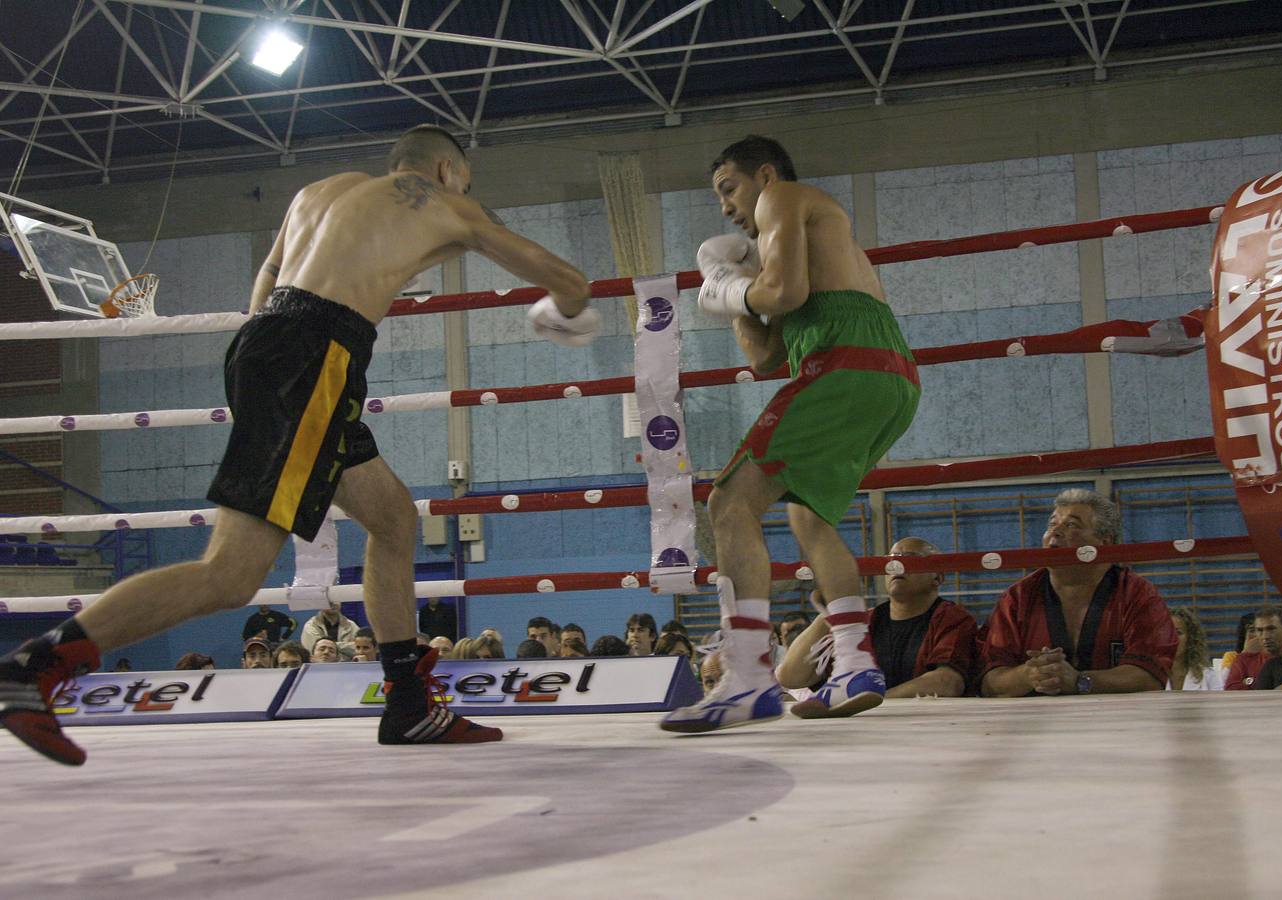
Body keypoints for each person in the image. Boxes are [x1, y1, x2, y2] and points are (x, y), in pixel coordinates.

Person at [0, 123, 597, 763]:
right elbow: (570, 281)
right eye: (467, 183)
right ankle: (34, 665)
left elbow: (269, 272)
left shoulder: (320, 191)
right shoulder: (448, 202)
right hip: (315, 359)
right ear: (448, 171)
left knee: (394, 520)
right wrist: (559, 316)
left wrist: (271, 360)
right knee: (231, 574)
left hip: (272, 344)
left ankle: (407, 704)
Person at [661, 135, 921, 733]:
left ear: (765, 175)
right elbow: (767, 358)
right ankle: (855, 662)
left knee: (730, 501)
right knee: (808, 515)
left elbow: (786, 294)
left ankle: (750, 675)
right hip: (886, 377)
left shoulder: (785, 198)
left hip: (846, 364)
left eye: (729, 189)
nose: (726, 207)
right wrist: (731, 287)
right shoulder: (792, 243)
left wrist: (730, 288)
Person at [979, 489, 1178, 697]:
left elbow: (1150, 677)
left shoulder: (1137, 594)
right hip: (1038, 723)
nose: (1055, 532)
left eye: (1072, 524)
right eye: (1052, 524)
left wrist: (1080, 681)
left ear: (1105, 541)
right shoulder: (1017, 598)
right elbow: (989, 681)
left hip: (1118, 723)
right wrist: (1029, 675)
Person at [777, 539, 977, 711]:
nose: (897, 563)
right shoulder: (862, 622)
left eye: (909, 557)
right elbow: (791, 677)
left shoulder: (952, 618)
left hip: (930, 727)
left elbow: (947, 682)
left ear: (938, 577)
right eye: (891, 559)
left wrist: (870, 701)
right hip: (867, 730)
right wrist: (831, 612)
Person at [1225, 606, 1282, 691]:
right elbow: (1230, 690)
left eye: (1271, 629)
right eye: (1260, 630)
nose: (1265, 636)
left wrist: (1248, 682)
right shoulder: (1244, 660)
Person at [1168, 607, 1223, 691]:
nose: (1173, 638)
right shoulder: (1151, 676)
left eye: (1178, 633)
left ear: (1190, 638)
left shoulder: (1208, 675)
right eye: (1168, 632)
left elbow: (1220, 703)